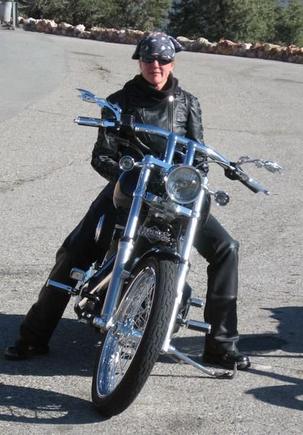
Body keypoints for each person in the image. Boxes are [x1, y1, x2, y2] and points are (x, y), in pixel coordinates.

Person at [5, 32, 250, 370]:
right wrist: (127, 173)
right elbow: (101, 155)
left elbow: (199, 153)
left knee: (226, 248)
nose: (156, 65)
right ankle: (33, 336)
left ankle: (221, 346)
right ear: (139, 61)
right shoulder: (119, 100)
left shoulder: (188, 103)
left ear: (173, 62)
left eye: (163, 60)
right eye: (149, 59)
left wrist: (191, 176)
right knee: (76, 250)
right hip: (130, 187)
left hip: (175, 191)